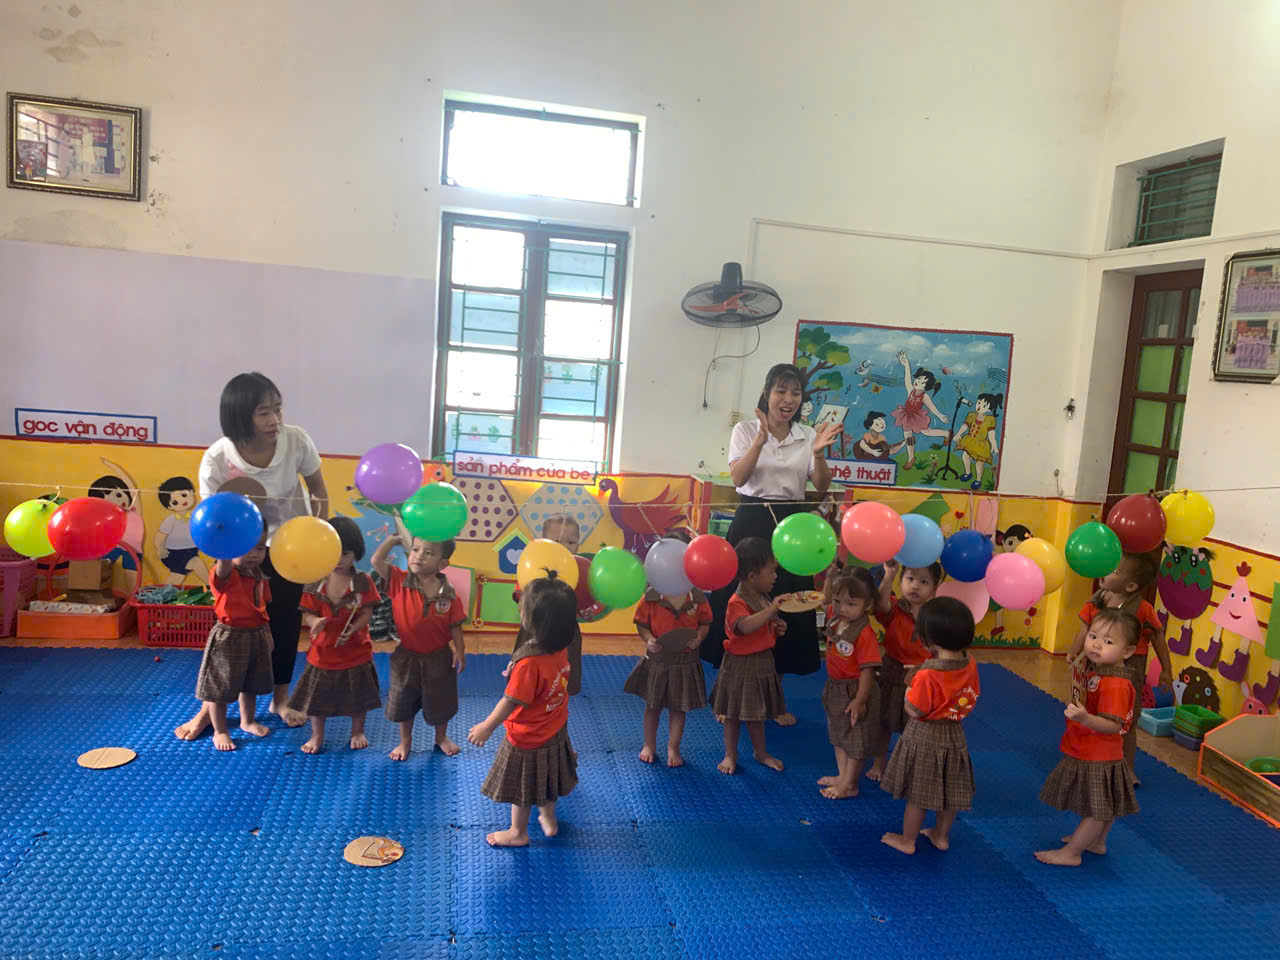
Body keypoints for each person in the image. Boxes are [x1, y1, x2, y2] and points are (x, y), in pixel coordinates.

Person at [176, 373, 329, 740]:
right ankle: (209, 708)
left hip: (290, 547)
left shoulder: (296, 440)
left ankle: (280, 700)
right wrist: (229, 559)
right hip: (240, 550)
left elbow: (319, 492)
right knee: (233, 630)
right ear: (240, 416)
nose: (275, 419)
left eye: (277, 409)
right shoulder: (217, 458)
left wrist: (319, 541)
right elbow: (212, 519)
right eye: (264, 412)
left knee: (284, 624)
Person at [703, 363, 841, 723]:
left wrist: (819, 453)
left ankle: (773, 700)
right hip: (751, 520)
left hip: (792, 526)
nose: (788, 399)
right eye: (781, 390)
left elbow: (821, 485)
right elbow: (738, 478)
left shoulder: (807, 434)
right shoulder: (746, 429)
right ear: (767, 393)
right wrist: (760, 441)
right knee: (737, 604)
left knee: (787, 606)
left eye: (795, 393)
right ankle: (728, 695)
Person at [468, 575, 579, 847]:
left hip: (527, 738)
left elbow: (510, 701)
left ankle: (518, 832)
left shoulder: (529, 664)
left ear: (534, 621)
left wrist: (486, 726)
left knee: (523, 788)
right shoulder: (561, 649)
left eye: (523, 608)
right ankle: (548, 817)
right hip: (555, 728)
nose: (520, 609)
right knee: (548, 777)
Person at [1036, 610, 1140, 866]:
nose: (1096, 644)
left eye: (1108, 641)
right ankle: (1097, 841)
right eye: (1093, 636)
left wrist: (1084, 718)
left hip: (1099, 753)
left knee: (1097, 809)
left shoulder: (1115, 684)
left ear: (1127, 651)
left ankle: (1072, 853)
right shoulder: (1103, 672)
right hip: (1098, 750)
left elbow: (1113, 725)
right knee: (1106, 802)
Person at [880, 596, 980, 855]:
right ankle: (941, 836)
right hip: (955, 735)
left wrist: (909, 689)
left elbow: (915, 710)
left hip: (925, 736)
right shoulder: (969, 662)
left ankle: (907, 840)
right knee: (949, 790)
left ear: (928, 640)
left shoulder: (928, 674)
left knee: (918, 794)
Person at [1067, 552, 1167, 781]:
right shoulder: (1095, 602)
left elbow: (1157, 636)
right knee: (1091, 709)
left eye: (1113, 570)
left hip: (1130, 666)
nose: (1105, 570)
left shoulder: (1143, 608)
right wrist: (1074, 652)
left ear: (1130, 586)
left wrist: (1166, 669)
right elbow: (1084, 630)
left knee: (1125, 719)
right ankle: (1089, 757)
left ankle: (1126, 769)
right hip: (1094, 665)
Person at [290, 517, 382, 754]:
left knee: (358, 697)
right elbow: (308, 612)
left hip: (356, 651)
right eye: (334, 553)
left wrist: (354, 627)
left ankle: (357, 731)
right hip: (322, 653)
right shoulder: (315, 581)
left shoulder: (363, 581)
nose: (339, 559)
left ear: (356, 553)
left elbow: (367, 611)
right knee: (317, 700)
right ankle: (317, 735)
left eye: (345, 553)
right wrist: (314, 622)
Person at [372, 534, 466, 761]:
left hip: (439, 657)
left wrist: (460, 651)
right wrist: (393, 540)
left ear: (442, 563)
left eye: (428, 552)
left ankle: (441, 738)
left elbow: (455, 626)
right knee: (404, 700)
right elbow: (376, 561)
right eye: (415, 549)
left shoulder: (449, 594)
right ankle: (405, 741)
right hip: (406, 656)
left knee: (441, 701)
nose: (419, 556)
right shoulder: (399, 580)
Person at [711, 537, 792, 775]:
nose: (775, 577)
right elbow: (745, 626)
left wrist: (778, 626)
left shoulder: (762, 596)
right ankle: (730, 754)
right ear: (752, 576)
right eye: (771, 572)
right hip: (739, 665)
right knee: (732, 715)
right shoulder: (736, 602)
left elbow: (765, 624)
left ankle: (761, 752)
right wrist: (772, 610)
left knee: (757, 714)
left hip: (762, 662)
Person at [194, 527, 274, 752]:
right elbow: (223, 567)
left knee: (251, 683)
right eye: (246, 548)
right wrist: (226, 547)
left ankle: (247, 721)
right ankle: (220, 730)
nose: (254, 554)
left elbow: (261, 607)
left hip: (256, 633)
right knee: (219, 688)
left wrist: (267, 634)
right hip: (229, 636)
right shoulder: (226, 573)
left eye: (260, 548)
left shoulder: (259, 574)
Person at [624, 569, 712, 768]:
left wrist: (699, 637)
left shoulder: (697, 597)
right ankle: (649, 744)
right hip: (658, 660)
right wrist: (649, 639)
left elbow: (704, 624)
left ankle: (673, 747)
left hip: (685, 662)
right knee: (652, 705)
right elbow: (642, 625)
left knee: (679, 708)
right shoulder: (652, 597)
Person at [868, 557, 943, 781]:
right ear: (901, 582)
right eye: (910, 579)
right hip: (891, 671)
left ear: (934, 589)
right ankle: (879, 762)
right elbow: (880, 606)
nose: (915, 586)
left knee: (914, 724)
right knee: (883, 720)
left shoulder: (936, 616)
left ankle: (909, 764)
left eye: (924, 582)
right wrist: (889, 575)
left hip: (922, 676)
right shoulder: (895, 607)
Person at [817, 567, 882, 799]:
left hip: (856, 690)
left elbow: (868, 670)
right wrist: (829, 578)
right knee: (838, 734)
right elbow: (824, 601)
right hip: (835, 686)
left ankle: (850, 785)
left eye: (851, 604)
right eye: (838, 601)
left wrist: (860, 700)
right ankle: (843, 776)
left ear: (867, 605)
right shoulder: (836, 618)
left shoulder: (864, 633)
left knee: (855, 738)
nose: (842, 608)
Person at [509, 514, 584, 695]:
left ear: (579, 545)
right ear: (543, 543)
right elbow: (520, 596)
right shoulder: (535, 568)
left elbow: (582, 602)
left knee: (564, 674)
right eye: (556, 541)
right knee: (528, 671)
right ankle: (524, 689)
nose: (564, 547)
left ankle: (559, 695)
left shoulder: (577, 570)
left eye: (571, 542)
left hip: (566, 630)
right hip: (534, 629)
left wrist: (586, 612)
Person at [155, 476, 210, 586]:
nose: (182, 501)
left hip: (191, 550)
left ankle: (164, 595)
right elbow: (160, 535)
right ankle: (213, 587)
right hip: (174, 554)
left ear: (192, 492)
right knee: (196, 563)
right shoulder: (171, 520)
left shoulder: (195, 516)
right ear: (169, 507)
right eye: (175, 502)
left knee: (176, 578)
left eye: (184, 495)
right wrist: (160, 548)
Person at [951, 393, 1003, 491]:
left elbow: (991, 434)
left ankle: (978, 480)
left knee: (979, 464)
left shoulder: (990, 420)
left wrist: (994, 446)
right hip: (970, 441)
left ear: (989, 409)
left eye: (984, 406)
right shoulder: (971, 415)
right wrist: (958, 434)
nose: (979, 406)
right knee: (965, 456)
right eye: (979, 403)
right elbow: (965, 426)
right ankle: (968, 473)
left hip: (981, 445)